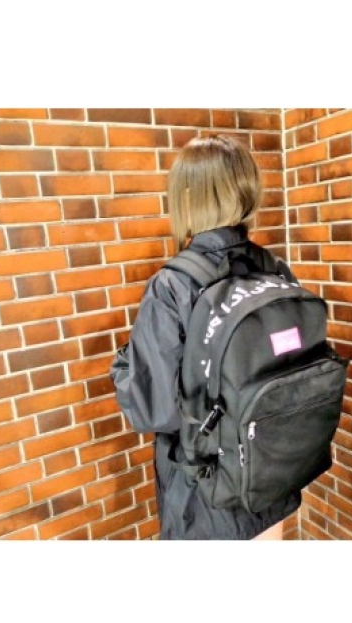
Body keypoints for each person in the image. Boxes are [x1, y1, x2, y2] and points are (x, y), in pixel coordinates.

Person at [110, 135, 301, 540]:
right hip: (271, 477)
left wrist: (125, 365)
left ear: (187, 197)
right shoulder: (274, 269)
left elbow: (155, 410)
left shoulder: (174, 286)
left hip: (207, 498)